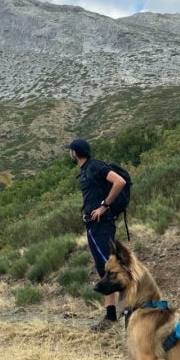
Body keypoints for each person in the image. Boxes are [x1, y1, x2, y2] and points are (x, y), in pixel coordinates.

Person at [65, 138, 127, 332]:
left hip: (103, 224)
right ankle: (111, 316)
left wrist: (104, 206)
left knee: (112, 269)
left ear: (75, 153)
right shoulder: (86, 170)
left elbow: (119, 181)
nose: (69, 154)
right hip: (93, 226)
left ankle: (130, 312)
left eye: (70, 151)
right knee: (103, 269)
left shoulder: (95, 166)